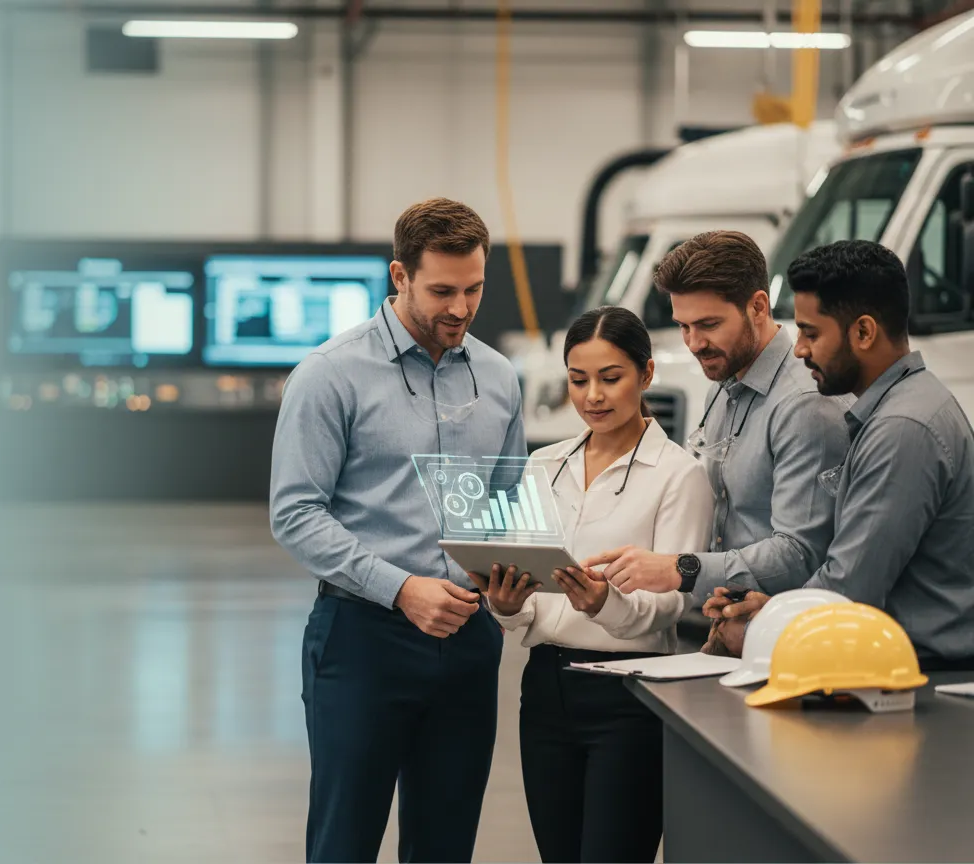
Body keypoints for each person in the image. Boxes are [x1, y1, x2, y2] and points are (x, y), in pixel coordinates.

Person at [270, 198, 526, 863]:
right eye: (442, 290)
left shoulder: (498, 377)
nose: (461, 308)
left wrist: (510, 581)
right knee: (344, 842)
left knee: (445, 847)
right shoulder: (330, 375)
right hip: (363, 639)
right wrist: (401, 588)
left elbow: (506, 502)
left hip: (469, 641)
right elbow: (295, 512)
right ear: (399, 276)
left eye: (473, 289)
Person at [466, 306, 713, 863]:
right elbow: (524, 601)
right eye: (579, 380)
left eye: (610, 378)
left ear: (647, 375)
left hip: (628, 698)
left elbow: (671, 604)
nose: (593, 396)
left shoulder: (679, 475)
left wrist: (606, 603)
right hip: (546, 691)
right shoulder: (541, 467)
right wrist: (505, 607)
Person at [705, 240, 974, 669]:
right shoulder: (897, 410)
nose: (799, 349)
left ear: (864, 333)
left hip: (925, 680)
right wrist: (772, 607)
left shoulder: (902, 430)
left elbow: (851, 589)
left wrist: (759, 628)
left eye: (811, 333)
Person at [578, 230, 849, 605]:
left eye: (708, 325)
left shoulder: (804, 406)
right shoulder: (722, 387)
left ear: (757, 307)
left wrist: (681, 568)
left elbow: (799, 554)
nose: (693, 344)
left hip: (788, 633)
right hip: (730, 621)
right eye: (683, 326)